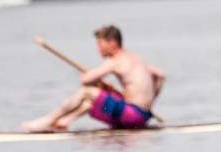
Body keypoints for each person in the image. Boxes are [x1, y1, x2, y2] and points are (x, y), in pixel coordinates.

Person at [22, 25, 165, 131]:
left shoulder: (116, 60)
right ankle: (64, 121)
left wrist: (94, 81)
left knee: (87, 92)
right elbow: (160, 76)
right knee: (97, 98)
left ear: (112, 43)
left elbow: (85, 80)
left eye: (100, 43)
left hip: (130, 116)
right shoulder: (135, 58)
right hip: (143, 116)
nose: (98, 48)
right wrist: (150, 102)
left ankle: (48, 120)